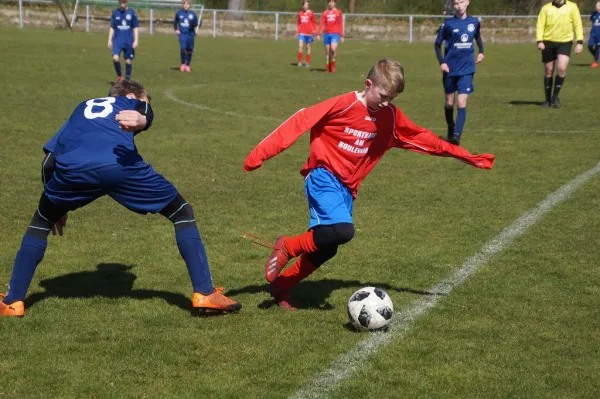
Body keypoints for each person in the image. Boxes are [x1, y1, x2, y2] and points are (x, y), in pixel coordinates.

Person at [243, 58, 495, 311]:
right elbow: (300, 121)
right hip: (322, 176)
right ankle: (287, 245)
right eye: (383, 95)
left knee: (328, 248)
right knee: (343, 231)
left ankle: (282, 286)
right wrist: (260, 154)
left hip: (347, 189)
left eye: (392, 99)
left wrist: (467, 157)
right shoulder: (343, 105)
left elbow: (424, 139)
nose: (387, 103)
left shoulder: (390, 117)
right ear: (368, 84)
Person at [0, 80, 241, 317]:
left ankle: (13, 302)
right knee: (182, 212)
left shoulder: (82, 107)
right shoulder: (130, 102)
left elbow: (49, 161)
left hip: (73, 170)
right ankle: (204, 292)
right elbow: (145, 111)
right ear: (132, 98)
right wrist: (144, 119)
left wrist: (57, 204)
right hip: (119, 167)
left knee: (40, 223)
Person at [434, 0, 484, 146]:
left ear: (467, 2)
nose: (459, 6)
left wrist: (481, 52)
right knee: (449, 103)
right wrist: (442, 62)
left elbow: (478, 37)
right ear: (453, 6)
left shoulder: (474, 22)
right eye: (456, 3)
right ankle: (451, 127)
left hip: (467, 69)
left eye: (462, 2)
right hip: (450, 69)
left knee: (461, 102)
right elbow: (437, 45)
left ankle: (456, 136)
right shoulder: (448, 24)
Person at [536, 0, 583, 108]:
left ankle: (555, 97)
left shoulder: (572, 7)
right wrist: (539, 41)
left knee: (561, 68)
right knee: (549, 70)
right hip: (548, 42)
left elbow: (577, 24)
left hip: (565, 42)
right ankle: (547, 99)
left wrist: (579, 42)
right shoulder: (546, 8)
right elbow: (540, 25)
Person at [108, 0, 139, 81]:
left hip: (128, 40)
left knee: (128, 61)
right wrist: (109, 40)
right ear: (119, 2)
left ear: (127, 2)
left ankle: (127, 80)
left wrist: (136, 40)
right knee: (115, 58)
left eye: (124, 2)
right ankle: (120, 77)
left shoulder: (132, 13)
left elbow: (135, 27)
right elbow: (112, 27)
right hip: (117, 40)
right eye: (121, 2)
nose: (122, 3)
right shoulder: (115, 12)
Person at [316, 0, 344, 72]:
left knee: (333, 49)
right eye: (330, 2)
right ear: (328, 3)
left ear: (335, 3)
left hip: (335, 34)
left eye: (332, 2)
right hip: (326, 34)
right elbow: (321, 23)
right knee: (327, 52)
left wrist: (341, 35)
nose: (331, 3)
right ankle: (327, 67)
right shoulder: (325, 13)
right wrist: (318, 34)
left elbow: (340, 24)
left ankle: (333, 66)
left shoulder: (338, 12)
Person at [174, 0, 199, 72]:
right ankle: (182, 64)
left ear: (190, 5)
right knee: (183, 48)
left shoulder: (193, 14)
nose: (186, 5)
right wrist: (176, 29)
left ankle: (187, 65)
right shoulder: (179, 13)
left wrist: (194, 26)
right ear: (182, 5)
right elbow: (175, 22)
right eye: (184, 3)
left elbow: (196, 24)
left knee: (190, 50)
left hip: (190, 35)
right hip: (182, 34)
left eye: (187, 4)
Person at [296, 0, 317, 68]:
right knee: (300, 46)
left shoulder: (311, 13)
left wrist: (314, 30)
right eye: (304, 5)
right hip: (302, 32)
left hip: (309, 33)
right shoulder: (300, 13)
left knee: (308, 47)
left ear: (308, 6)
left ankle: (307, 62)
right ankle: (299, 62)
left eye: (306, 5)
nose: (305, 6)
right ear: (302, 6)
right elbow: (299, 23)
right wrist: (297, 32)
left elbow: (314, 22)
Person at [588, 1, 600, 68]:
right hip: (593, 33)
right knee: (590, 46)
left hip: (599, 34)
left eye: (598, 5)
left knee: (598, 47)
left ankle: (595, 62)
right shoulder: (593, 13)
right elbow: (592, 20)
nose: (596, 7)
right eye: (596, 5)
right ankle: (596, 54)